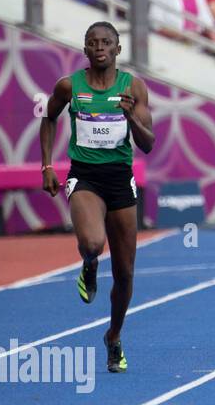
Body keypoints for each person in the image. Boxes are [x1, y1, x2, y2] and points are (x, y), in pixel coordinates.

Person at [39, 22, 155, 373]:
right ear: (85, 50)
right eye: (92, 43)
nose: (99, 47)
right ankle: (89, 264)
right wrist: (47, 164)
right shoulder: (69, 86)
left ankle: (114, 336)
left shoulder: (133, 87)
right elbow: (48, 118)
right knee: (92, 242)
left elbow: (148, 143)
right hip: (84, 176)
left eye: (106, 42)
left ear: (118, 50)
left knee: (125, 273)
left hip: (120, 179)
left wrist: (131, 115)